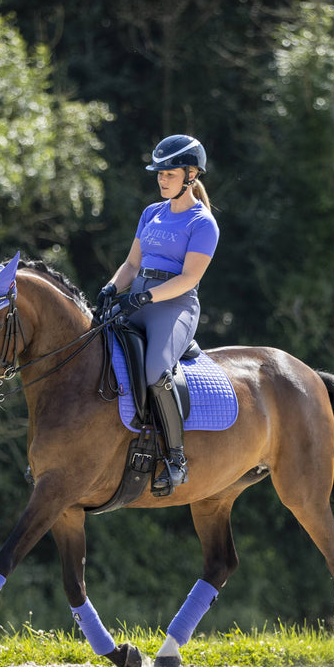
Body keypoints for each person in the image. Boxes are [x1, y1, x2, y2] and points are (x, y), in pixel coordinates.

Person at [96, 134, 220, 495]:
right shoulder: (152, 212)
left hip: (174, 306)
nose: (162, 179)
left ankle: (176, 458)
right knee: (92, 344)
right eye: (159, 174)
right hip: (136, 297)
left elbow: (189, 278)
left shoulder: (203, 223)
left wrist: (146, 297)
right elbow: (132, 263)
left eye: (169, 173)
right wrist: (111, 288)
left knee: (154, 370)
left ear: (191, 175)